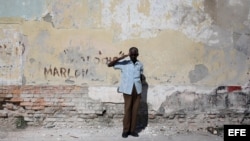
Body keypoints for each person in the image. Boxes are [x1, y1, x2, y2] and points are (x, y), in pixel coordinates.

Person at [107, 47, 144, 138]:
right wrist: (122, 57)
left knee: (135, 110)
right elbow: (109, 64)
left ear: (138, 54)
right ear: (129, 54)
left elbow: (140, 75)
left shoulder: (140, 64)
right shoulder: (124, 63)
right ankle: (125, 130)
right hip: (127, 89)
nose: (134, 56)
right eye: (132, 54)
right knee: (127, 109)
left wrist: (140, 81)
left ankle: (132, 130)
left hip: (137, 89)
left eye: (135, 54)